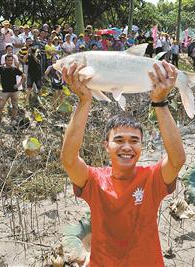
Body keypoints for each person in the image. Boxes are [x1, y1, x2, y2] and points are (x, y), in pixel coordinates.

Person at [60, 61, 185, 266]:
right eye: (119, 140)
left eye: (134, 141)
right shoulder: (94, 180)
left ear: (141, 147)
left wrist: (160, 102)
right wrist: (84, 101)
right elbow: (69, 160)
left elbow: (177, 159)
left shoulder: (151, 178)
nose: (127, 146)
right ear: (106, 146)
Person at [0, 54, 26, 124]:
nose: (10, 62)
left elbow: (24, 76)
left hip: (14, 91)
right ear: (5, 61)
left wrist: (19, 84)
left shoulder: (14, 69)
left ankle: (13, 119)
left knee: (15, 106)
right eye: (8, 60)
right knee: (0, 106)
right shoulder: (1, 68)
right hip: (4, 91)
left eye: (11, 60)